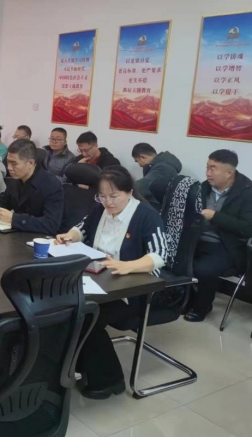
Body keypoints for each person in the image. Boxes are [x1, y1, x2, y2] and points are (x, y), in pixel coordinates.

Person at [55, 166, 168, 399]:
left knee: (87, 316)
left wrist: (128, 265)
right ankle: (79, 366)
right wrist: (70, 236)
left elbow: (160, 255)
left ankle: (110, 380)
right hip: (101, 279)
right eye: (102, 196)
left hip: (132, 289)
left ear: (129, 192)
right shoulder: (101, 209)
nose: (108, 202)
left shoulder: (146, 215)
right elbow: (82, 228)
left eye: (114, 196)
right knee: (67, 307)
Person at [184, 150, 252, 322]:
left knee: (204, 269)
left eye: (213, 169)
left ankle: (202, 307)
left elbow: (251, 229)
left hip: (227, 245)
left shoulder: (251, 195)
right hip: (197, 238)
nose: (208, 173)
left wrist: (215, 216)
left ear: (229, 173)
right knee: (173, 259)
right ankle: (186, 300)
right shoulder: (203, 188)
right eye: (207, 167)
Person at [0, 139, 64, 235]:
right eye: (8, 162)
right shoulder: (16, 179)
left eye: (14, 163)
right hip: (16, 234)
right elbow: (4, 200)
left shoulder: (51, 185)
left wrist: (14, 219)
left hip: (38, 238)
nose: (9, 168)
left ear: (30, 163)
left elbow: (51, 225)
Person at [132, 143, 182, 210]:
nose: (139, 165)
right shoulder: (164, 164)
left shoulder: (163, 168)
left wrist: (126, 188)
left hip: (160, 208)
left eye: (137, 161)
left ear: (142, 157)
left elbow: (142, 186)